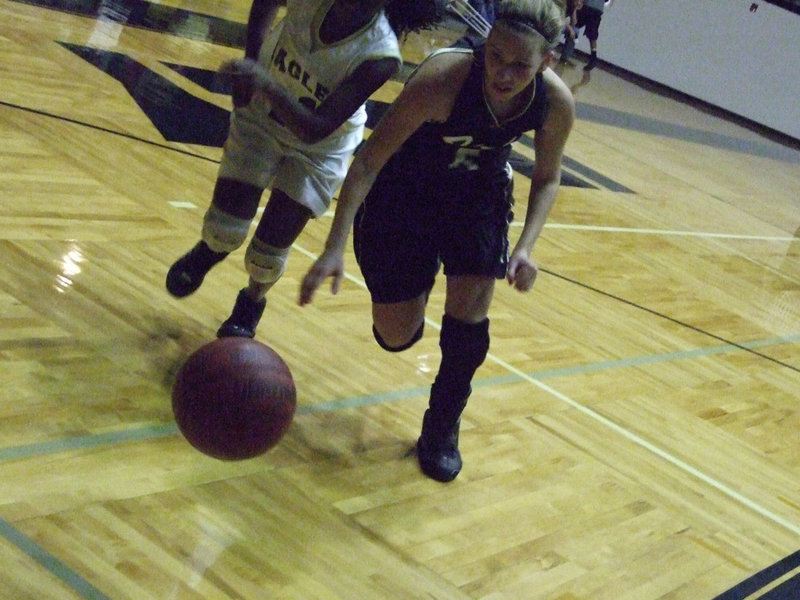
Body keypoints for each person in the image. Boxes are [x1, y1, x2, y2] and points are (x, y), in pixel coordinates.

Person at [300, 0, 574, 482]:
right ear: (486, 44)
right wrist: (333, 246)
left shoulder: (553, 103)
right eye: (496, 57)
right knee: (396, 336)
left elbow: (549, 177)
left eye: (521, 66)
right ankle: (415, 289)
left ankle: (441, 428)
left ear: (546, 63)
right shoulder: (443, 80)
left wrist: (527, 246)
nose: (505, 74)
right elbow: (366, 163)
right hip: (405, 191)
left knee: (468, 322)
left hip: (477, 190)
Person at [165, 0, 444, 338]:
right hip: (262, 117)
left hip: (319, 148)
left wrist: (264, 82)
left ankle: (252, 301)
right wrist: (251, 61)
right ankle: (210, 251)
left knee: (267, 254)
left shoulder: (380, 55)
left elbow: (316, 128)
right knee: (225, 228)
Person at [573, 0, 614, 70]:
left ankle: (567, 52)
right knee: (592, 36)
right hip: (597, 9)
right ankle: (593, 57)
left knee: (575, 25)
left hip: (589, 7)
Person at [557, 0, 583, 65]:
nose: (579, 3)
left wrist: (575, 10)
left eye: (581, 2)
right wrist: (570, 29)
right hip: (555, 22)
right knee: (568, 29)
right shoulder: (565, 2)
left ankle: (564, 58)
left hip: (561, 24)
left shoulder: (572, 6)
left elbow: (573, 23)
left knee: (576, 31)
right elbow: (560, 17)